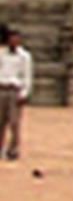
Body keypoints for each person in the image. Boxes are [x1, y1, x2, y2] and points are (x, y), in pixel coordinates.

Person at [0, 25, 32, 162]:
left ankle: (13, 149)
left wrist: (24, 93)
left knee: (14, 123)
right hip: (1, 88)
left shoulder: (24, 57)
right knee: (0, 122)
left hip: (14, 90)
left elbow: (27, 75)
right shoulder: (1, 54)